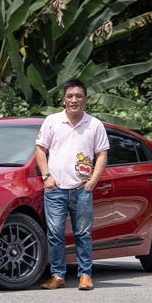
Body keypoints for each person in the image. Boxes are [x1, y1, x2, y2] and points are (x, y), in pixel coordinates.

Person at [34, 78, 109, 291]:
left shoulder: (94, 124)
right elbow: (41, 149)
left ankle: (85, 276)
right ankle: (57, 276)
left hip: (81, 190)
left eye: (78, 96)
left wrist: (92, 181)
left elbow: (102, 154)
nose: (74, 100)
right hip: (55, 189)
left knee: (83, 234)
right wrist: (46, 177)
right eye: (70, 96)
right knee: (55, 234)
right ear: (64, 100)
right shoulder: (52, 121)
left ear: (85, 99)